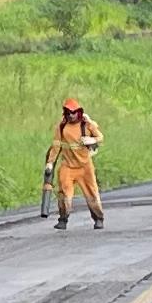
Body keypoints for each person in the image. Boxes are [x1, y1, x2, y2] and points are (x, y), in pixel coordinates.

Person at [45, 96, 104, 230]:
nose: (71, 115)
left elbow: (100, 137)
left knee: (92, 193)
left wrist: (91, 140)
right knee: (64, 194)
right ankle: (63, 219)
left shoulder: (86, 124)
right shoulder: (61, 127)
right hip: (67, 166)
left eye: (74, 112)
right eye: (68, 112)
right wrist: (50, 163)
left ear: (79, 112)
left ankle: (98, 218)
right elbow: (56, 146)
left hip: (85, 166)